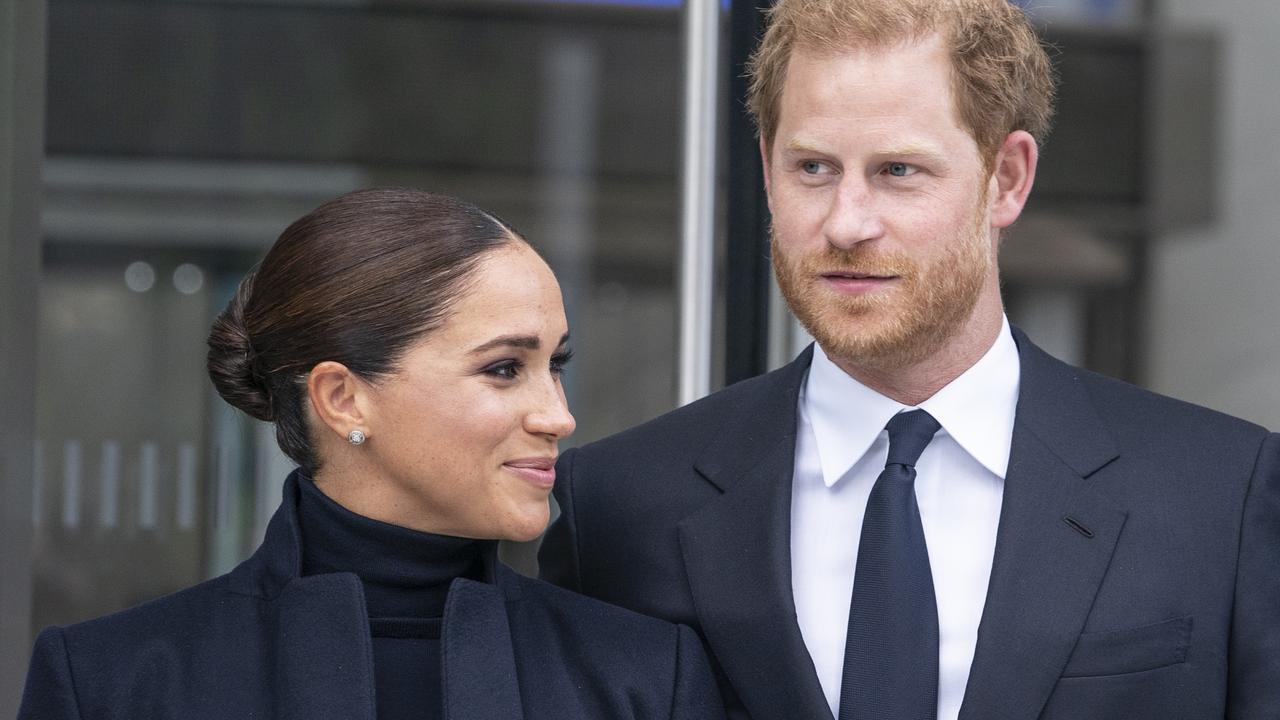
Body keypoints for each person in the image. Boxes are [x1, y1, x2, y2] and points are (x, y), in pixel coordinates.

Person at [538, 1, 1280, 719]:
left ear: (1009, 178)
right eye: (814, 168)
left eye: (898, 170)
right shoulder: (621, 508)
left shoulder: (1222, 498)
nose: (847, 222)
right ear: (765, 169)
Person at [19, 188, 726, 720]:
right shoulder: (112, 683)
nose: (558, 416)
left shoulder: (644, 680)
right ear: (344, 399)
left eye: (556, 364)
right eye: (505, 368)